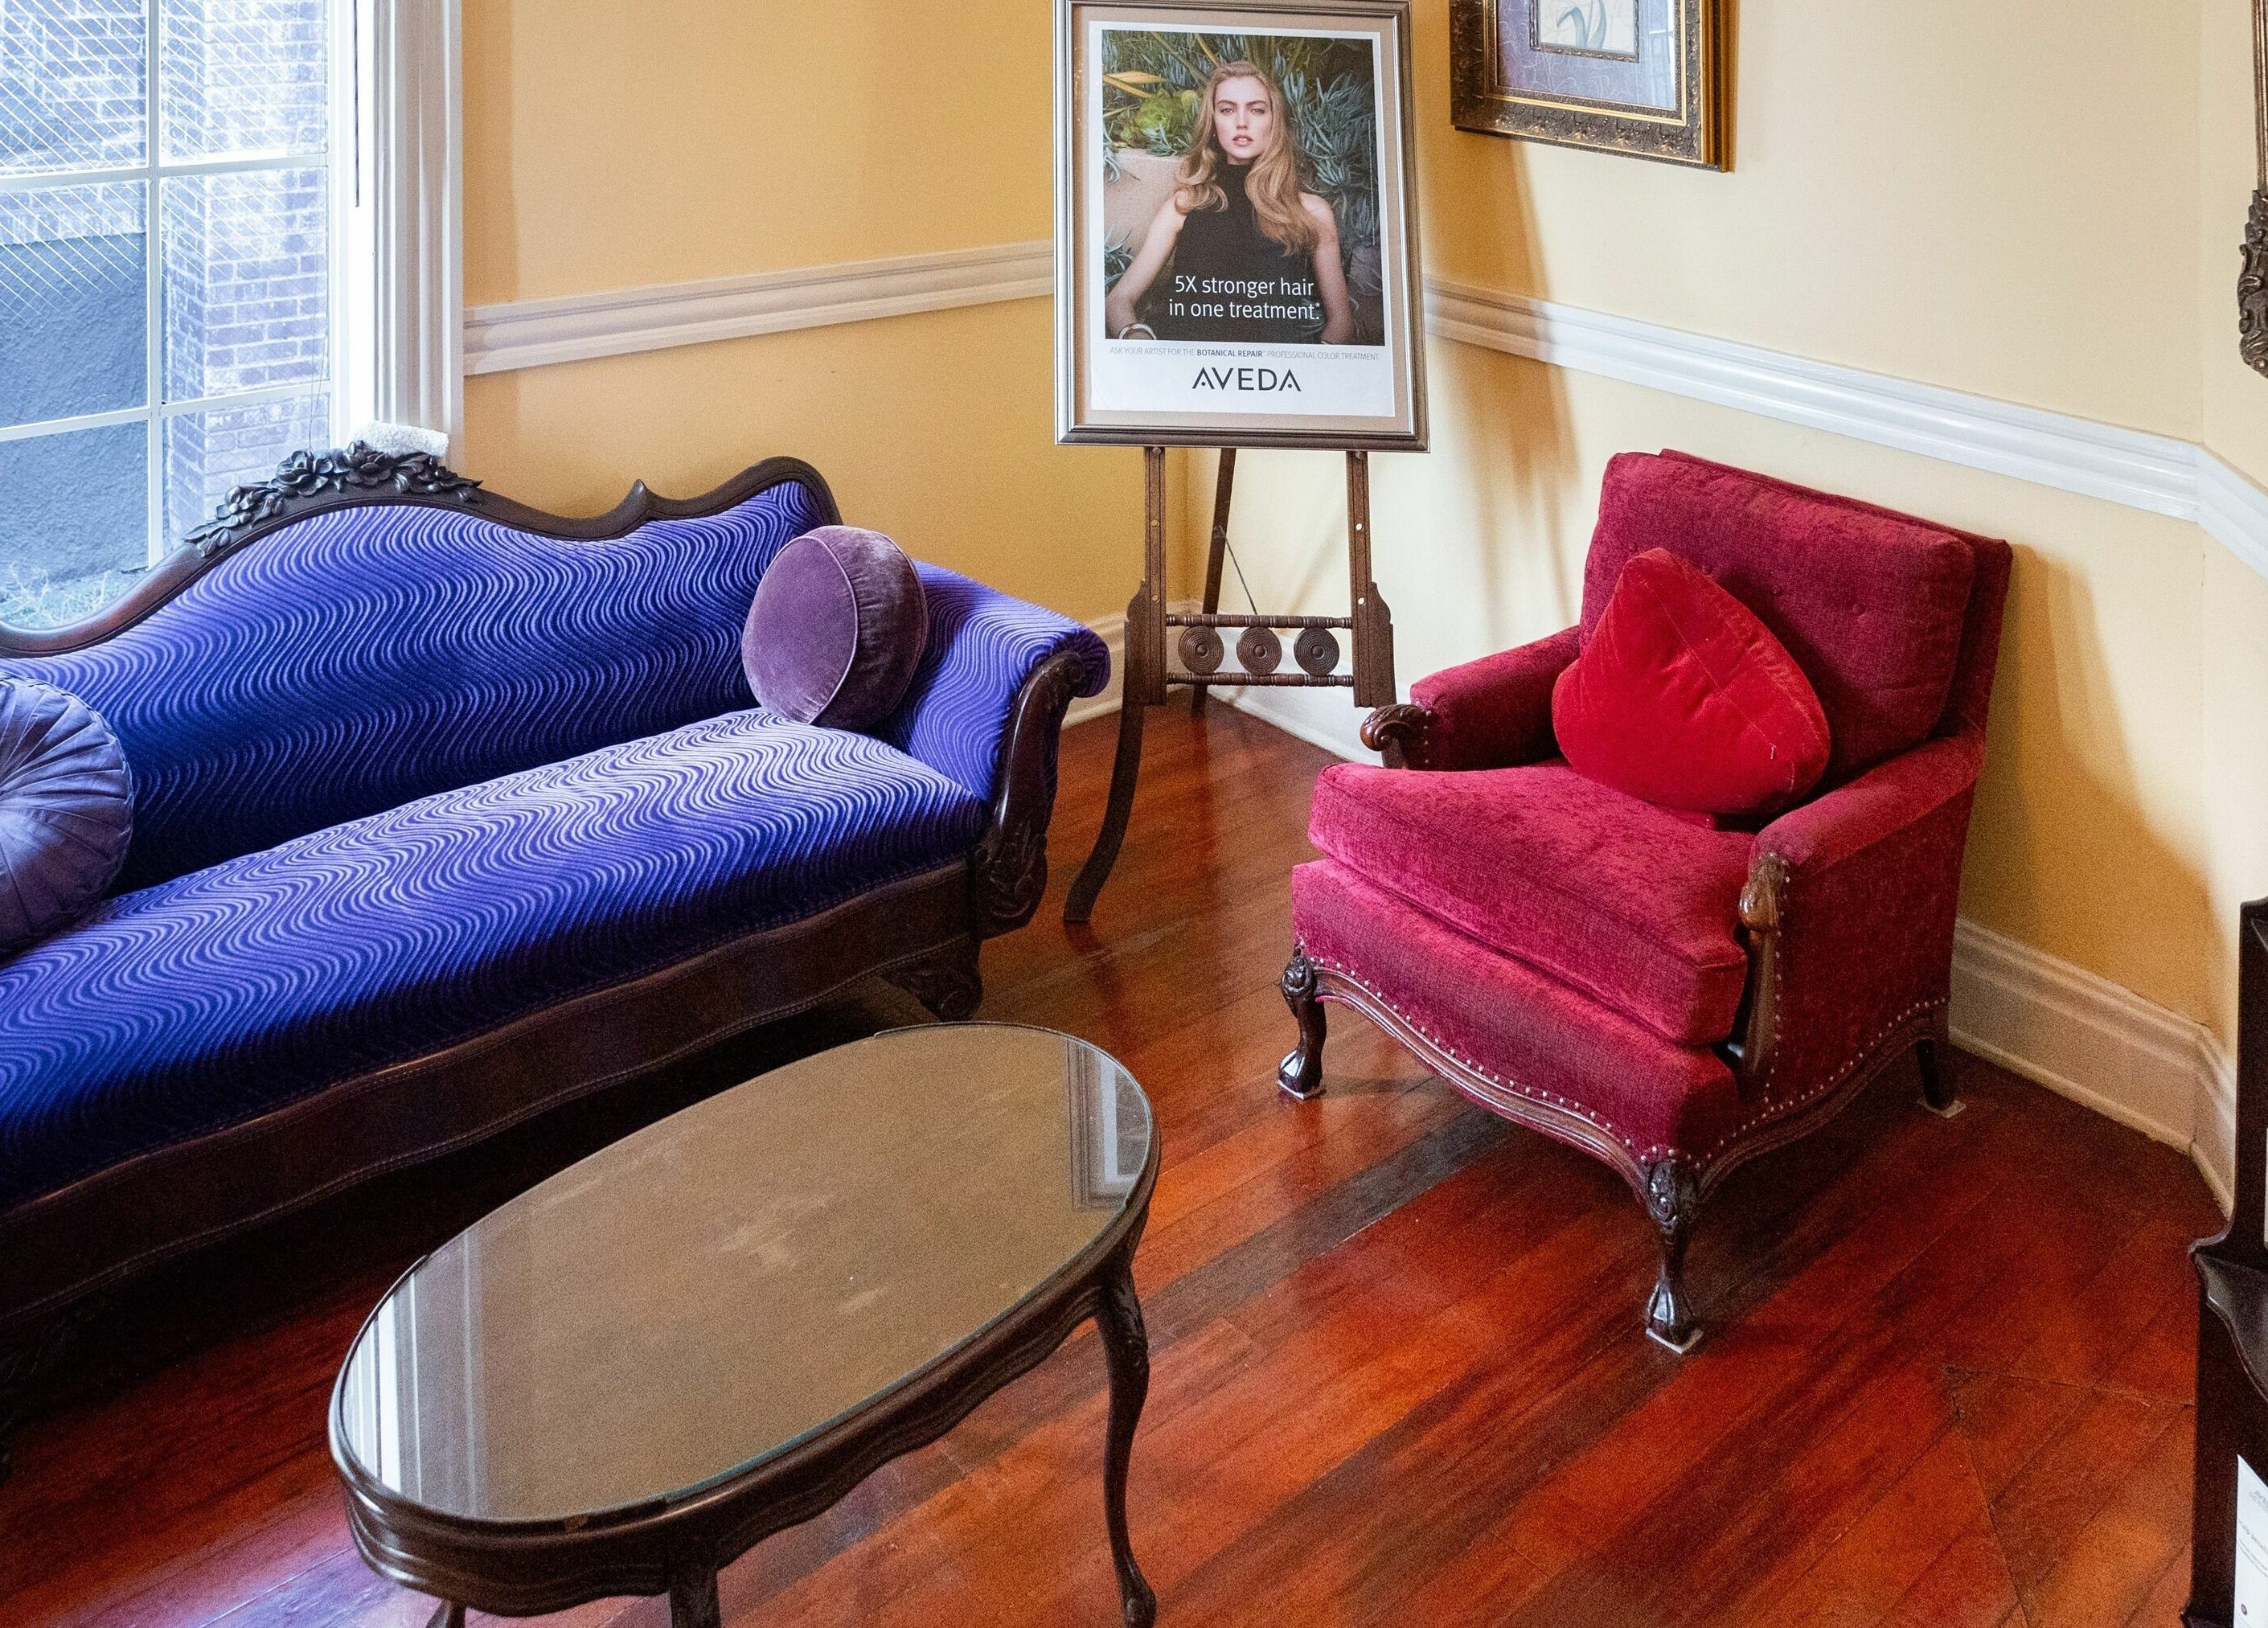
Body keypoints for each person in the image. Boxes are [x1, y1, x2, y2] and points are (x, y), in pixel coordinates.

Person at [1105, 59, 1355, 346]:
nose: (1241, 122)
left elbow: (1341, 322)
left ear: (1275, 122)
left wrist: (1311, 373)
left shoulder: (1311, 211)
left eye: (1257, 110)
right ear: (1213, 124)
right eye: (1227, 110)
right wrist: (1139, 338)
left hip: (1275, 380)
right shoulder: (1185, 205)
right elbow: (1119, 300)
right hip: (1188, 377)